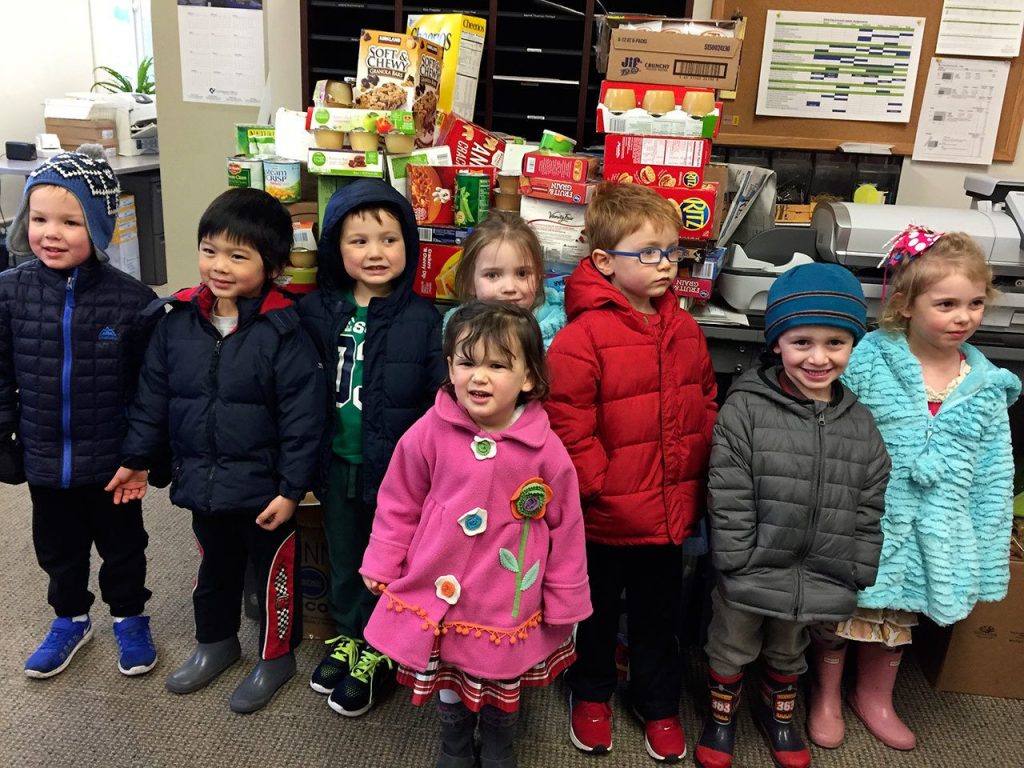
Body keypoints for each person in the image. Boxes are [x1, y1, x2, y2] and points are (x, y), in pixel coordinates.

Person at [107, 187, 326, 713]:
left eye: (237, 255)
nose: (218, 266)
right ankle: (216, 643)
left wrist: (292, 489)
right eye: (210, 250)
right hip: (201, 480)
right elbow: (152, 396)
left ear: (272, 267)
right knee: (213, 571)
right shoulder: (176, 321)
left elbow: (304, 417)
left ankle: (276, 656)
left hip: (265, 490)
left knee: (272, 577)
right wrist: (136, 457)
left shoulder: (284, 331)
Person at [809, 227, 1021, 751]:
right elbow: (826, 433)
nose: (962, 317)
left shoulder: (986, 386)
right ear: (904, 303)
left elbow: (995, 474)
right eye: (946, 303)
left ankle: (876, 697)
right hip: (862, 518)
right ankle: (826, 694)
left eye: (975, 304)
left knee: (896, 618)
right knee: (839, 611)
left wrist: (985, 549)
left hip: (934, 529)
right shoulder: (866, 362)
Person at [360, 300, 592, 768]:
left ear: (528, 377)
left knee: (502, 677)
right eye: (466, 363)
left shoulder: (545, 448)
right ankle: (454, 742)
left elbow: (566, 526)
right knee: (448, 673)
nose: (478, 377)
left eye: (497, 365)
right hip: (439, 585)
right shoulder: (429, 432)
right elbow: (399, 500)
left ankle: (500, 741)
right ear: (450, 368)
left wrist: (565, 595)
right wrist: (384, 559)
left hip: (505, 592)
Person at [545, 182, 718, 762]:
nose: (665, 264)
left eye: (672, 251)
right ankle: (590, 693)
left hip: (669, 514)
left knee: (657, 616)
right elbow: (567, 424)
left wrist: (695, 470)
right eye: (648, 253)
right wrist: (597, 489)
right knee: (593, 615)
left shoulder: (686, 330)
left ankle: (658, 701)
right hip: (605, 517)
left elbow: (706, 401)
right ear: (603, 263)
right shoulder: (581, 337)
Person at [696, 263, 889, 768]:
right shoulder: (747, 408)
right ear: (778, 343)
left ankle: (778, 714)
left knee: (789, 650)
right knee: (731, 645)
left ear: (852, 346)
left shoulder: (861, 423)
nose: (819, 358)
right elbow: (728, 488)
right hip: (751, 566)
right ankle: (721, 718)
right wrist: (736, 558)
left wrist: (859, 564)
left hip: (820, 571)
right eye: (802, 342)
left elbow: (870, 502)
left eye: (835, 343)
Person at [0, 146, 159, 679]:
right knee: (58, 548)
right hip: (45, 454)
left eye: (70, 222)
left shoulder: (131, 300)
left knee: (123, 547)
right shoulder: (10, 294)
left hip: (111, 458)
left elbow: (147, 387)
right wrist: (5, 437)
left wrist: (144, 453)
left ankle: (130, 616)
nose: (51, 232)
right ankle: (69, 618)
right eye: (40, 219)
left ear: (98, 226)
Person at [298, 179, 445, 717]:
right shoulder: (316, 312)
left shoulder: (424, 319)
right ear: (336, 248)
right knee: (345, 557)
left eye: (388, 239)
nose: (375, 252)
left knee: (390, 563)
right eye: (358, 240)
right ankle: (349, 635)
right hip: (335, 462)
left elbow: (438, 402)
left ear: (409, 245)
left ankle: (382, 648)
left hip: (396, 471)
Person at [441, 210, 566, 348]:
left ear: (538, 277)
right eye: (492, 275)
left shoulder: (559, 337)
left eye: (522, 273)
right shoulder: (456, 333)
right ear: (469, 282)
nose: (509, 288)